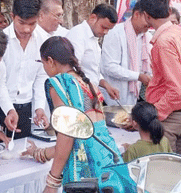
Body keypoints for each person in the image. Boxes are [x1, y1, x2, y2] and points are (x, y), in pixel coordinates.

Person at [24, 36, 124, 192]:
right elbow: (82, 138)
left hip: (86, 167)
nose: (44, 68)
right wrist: (40, 153)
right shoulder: (88, 83)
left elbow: (67, 137)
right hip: (109, 160)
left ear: (50, 61)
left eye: (42, 63)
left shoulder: (60, 84)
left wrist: (52, 182)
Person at [141, 0, 181, 156]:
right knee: (179, 167)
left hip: (170, 119)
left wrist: (154, 114)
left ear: (146, 16)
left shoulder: (164, 42)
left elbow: (177, 90)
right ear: (169, 11)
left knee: (166, 169)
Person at [1, 0, 51, 138]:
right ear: (12, 16)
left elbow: (41, 77)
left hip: (26, 108)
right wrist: (9, 109)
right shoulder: (1, 40)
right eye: (21, 23)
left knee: (22, 147)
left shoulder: (43, 40)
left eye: (32, 24)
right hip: (1, 106)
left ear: (39, 18)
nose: (26, 29)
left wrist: (39, 108)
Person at [100, 0, 152, 106]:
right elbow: (109, 67)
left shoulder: (147, 37)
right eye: (147, 18)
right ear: (136, 14)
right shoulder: (116, 32)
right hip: (113, 98)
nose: (150, 23)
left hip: (135, 98)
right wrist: (138, 76)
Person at [67, 4, 119, 102]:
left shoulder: (94, 37)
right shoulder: (78, 34)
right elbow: (71, 69)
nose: (106, 32)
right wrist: (90, 87)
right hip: (78, 95)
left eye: (109, 29)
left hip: (89, 95)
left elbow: (92, 71)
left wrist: (106, 85)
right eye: (104, 27)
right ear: (93, 18)